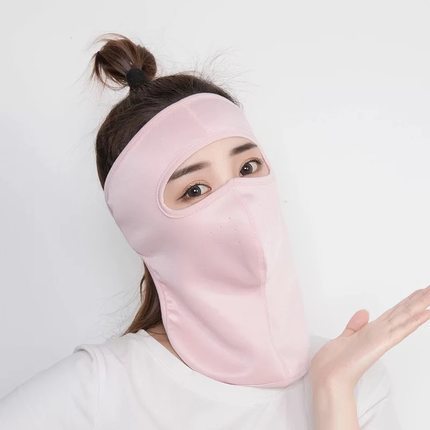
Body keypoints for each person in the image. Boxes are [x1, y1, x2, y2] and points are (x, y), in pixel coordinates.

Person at [1, 32, 429, 430]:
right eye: (195, 189)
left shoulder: (353, 375)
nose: (240, 200)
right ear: (143, 233)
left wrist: (333, 392)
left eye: (248, 167)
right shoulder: (99, 389)